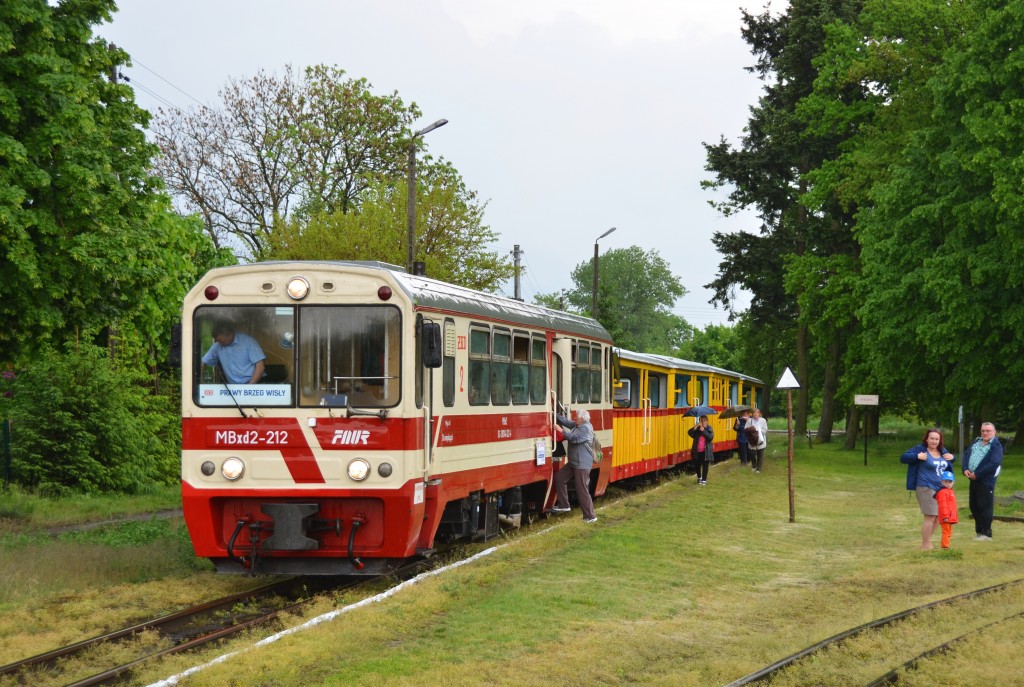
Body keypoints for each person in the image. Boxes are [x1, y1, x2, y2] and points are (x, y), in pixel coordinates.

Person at [900, 428, 956, 550]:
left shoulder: (942, 451)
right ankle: (926, 545)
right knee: (930, 516)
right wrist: (917, 456)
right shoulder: (920, 450)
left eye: (937, 439)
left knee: (937, 517)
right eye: (931, 438)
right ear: (926, 439)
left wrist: (953, 457)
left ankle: (926, 542)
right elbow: (903, 458)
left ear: (940, 440)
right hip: (925, 487)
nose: (934, 441)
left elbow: (950, 461)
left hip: (941, 489)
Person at [551, 409, 598, 523]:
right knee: (560, 477)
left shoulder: (585, 428)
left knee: (582, 490)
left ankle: (590, 516)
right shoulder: (578, 425)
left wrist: (560, 430)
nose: (574, 419)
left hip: (582, 464)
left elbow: (574, 438)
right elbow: (566, 422)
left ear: (582, 418)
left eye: (576, 417)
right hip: (574, 462)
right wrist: (552, 413)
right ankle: (564, 505)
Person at [962, 422, 1003, 541]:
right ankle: (979, 531)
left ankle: (986, 533)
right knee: (974, 506)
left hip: (985, 481)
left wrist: (977, 474)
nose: (985, 433)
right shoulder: (976, 441)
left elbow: (993, 463)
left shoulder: (996, 446)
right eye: (983, 430)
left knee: (984, 506)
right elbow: (966, 454)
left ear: (994, 432)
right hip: (972, 479)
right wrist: (965, 469)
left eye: (988, 431)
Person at [201, 323, 267, 385]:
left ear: (230, 334)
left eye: (222, 341)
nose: (220, 344)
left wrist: (248, 388)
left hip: (254, 383)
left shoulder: (248, 341)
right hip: (233, 387)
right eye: (218, 341)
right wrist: (201, 380)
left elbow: (260, 367)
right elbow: (203, 362)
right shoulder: (218, 345)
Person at [935, 471, 958, 549]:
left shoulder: (950, 491)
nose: (948, 483)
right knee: (946, 532)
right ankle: (945, 547)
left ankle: (945, 545)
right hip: (946, 517)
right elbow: (943, 505)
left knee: (948, 532)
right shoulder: (942, 492)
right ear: (942, 482)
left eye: (950, 481)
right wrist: (945, 516)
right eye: (946, 481)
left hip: (949, 516)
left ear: (953, 482)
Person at [689, 415, 714, 485]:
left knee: (705, 466)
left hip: (706, 451)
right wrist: (696, 426)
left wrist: (703, 431)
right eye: (701, 420)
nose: (702, 422)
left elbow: (710, 438)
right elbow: (690, 433)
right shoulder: (697, 429)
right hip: (697, 451)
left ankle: (704, 480)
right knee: (697, 465)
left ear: (707, 421)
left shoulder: (709, 428)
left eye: (704, 420)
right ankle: (699, 477)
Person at [746, 408, 768, 473]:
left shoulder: (763, 420)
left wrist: (759, 432)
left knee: (760, 454)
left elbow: (765, 429)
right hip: (752, 440)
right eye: (754, 413)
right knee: (752, 454)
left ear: (759, 414)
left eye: (757, 413)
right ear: (752, 414)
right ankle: (754, 465)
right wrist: (751, 429)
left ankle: (758, 468)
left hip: (760, 439)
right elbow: (746, 429)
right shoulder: (749, 421)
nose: (755, 414)